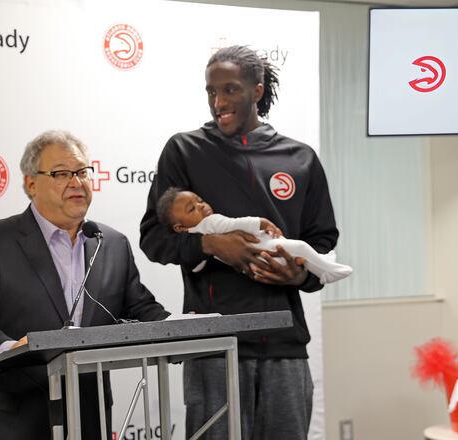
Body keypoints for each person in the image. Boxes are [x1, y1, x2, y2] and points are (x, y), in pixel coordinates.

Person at [139, 45, 340, 439]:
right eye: (212, 92)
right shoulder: (185, 150)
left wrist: (297, 276)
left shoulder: (300, 158)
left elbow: (323, 244)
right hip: (214, 347)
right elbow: (154, 238)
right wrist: (213, 246)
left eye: (230, 90)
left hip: (285, 344)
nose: (219, 102)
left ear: (257, 91)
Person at [0, 130, 170, 440]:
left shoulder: (111, 243)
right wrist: (9, 350)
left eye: (82, 172)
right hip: (11, 417)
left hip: (87, 415)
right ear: (31, 184)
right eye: (62, 173)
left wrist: (186, 327)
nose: (76, 182)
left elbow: (141, 309)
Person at [157, 187, 352, 284]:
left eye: (200, 200)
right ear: (180, 228)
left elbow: (197, 266)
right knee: (300, 248)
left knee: (299, 252)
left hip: (258, 264)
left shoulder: (197, 234)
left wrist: (201, 252)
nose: (201, 206)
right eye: (192, 209)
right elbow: (236, 223)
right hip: (265, 252)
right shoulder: (210, 222)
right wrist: (261, 222)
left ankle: (322, 263)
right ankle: (326, 272)